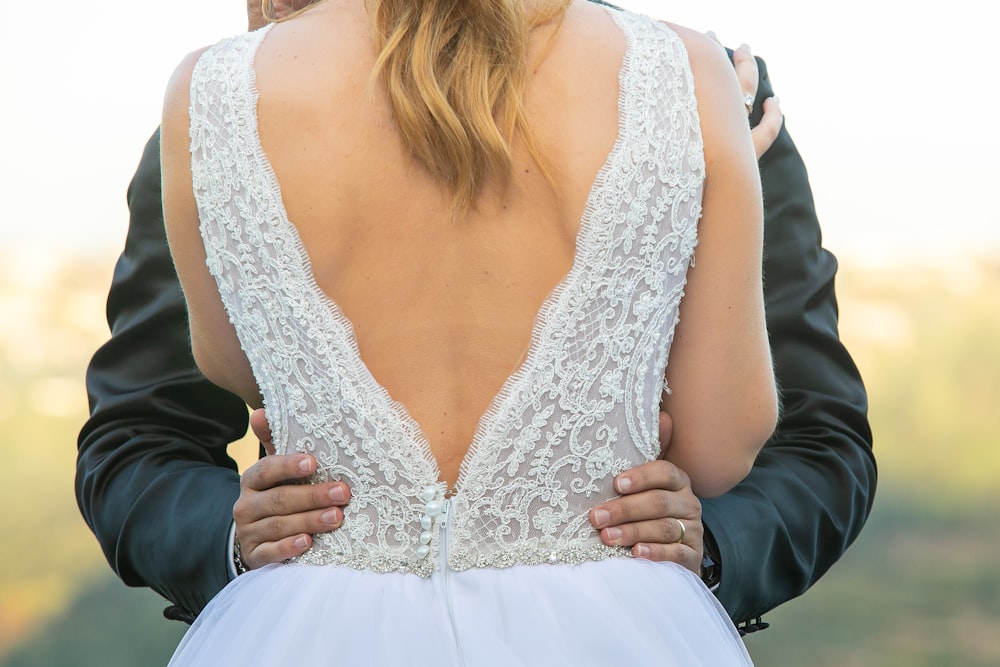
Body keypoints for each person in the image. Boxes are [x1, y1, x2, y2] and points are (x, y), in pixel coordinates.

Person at [75, 0, 873, 644]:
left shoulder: (217, 98)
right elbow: (138, 437)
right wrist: (236, 535)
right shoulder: (698, 85)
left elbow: (821, 437)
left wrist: (710, 546)